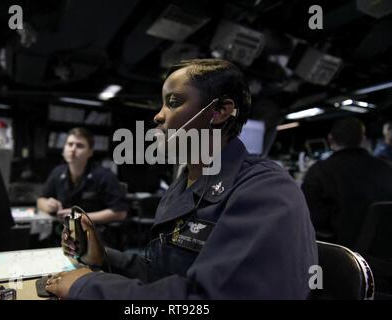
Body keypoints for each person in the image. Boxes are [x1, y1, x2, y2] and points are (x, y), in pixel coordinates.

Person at [46, 59, 318, 299]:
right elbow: (162, 277)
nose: (158, 115)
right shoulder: (183, 186)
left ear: (219, 111)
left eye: (173, 102)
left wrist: (89, 287)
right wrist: (103, 257)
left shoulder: (266, 189)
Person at [302, 117, 392, 248]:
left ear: (330, 139)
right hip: (384, 252)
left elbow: (310, 219)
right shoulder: (386, 168)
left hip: (343, 258)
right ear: (362, 139)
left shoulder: (319, 171)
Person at [37, 127, 127, 224]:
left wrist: (81, 217)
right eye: (70, 144)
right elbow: (40, 200)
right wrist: (48, 206)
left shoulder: (105, 176)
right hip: (63, 232)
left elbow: (120, 212)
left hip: (94, 233)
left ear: (90, 152)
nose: (73, 149)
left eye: (79, 146)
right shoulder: (58, 172)